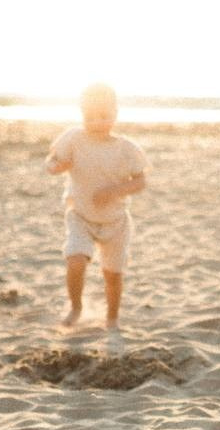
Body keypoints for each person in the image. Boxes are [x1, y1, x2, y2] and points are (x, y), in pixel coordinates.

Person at [45, 82, 148, 347]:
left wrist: (115, 190)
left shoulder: (126, 147)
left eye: (104, 116)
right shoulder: (73, 138)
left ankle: (112, 317)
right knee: (75, 261)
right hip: (80, 215)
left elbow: (140, 181)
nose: (97, 122)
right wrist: (57, 166)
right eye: (90, 116)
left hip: (115, 221)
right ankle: (76, 307)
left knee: (112, 274)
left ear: (115, 113)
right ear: (81, 114)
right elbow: (51, 160)